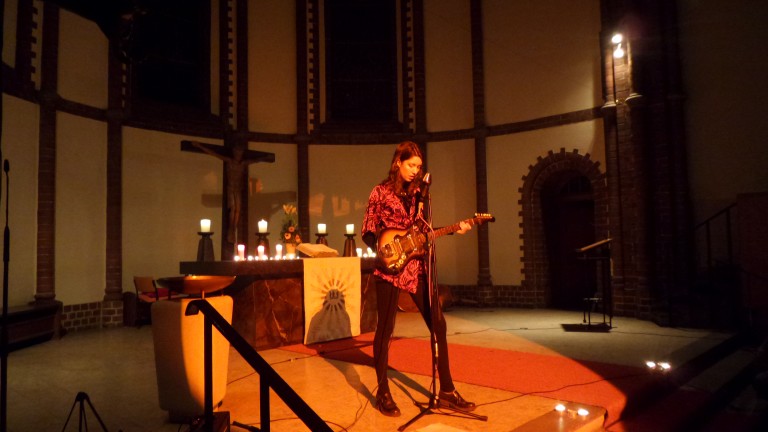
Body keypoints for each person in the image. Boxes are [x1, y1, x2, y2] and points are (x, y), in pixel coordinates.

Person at [362, 141, 476, 417]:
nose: (415, 171)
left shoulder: (419, 197)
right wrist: (388, 249)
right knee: (385, 329)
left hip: (416, 269)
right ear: (398, 163)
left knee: (438, 323)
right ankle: (383, 392)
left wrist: (454, 230)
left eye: (419, 167)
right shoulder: (380, 192)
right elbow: (367, 230)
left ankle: (447, 391)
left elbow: (422, 234)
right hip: (389, 269)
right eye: (411, 165)